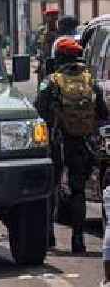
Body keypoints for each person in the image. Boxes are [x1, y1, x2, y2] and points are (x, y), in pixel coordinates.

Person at [35, 37, 108, 253]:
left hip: (56, 142)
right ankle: (78, 241)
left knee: (51, 189)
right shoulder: (90, 81)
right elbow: (103, 114)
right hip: (81, 142)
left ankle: (49, 237)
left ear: (59, 57)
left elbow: (38, 110)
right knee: (77, 191)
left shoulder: (51, 81)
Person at [36, 7, 60, 85]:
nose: (52, 19)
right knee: (43, 85)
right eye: (50, 16)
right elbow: (38, 45)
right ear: (46, 18)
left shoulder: (60, 31)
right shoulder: (42, 31)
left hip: (56, 62)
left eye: (54, 16)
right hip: (44, 62)